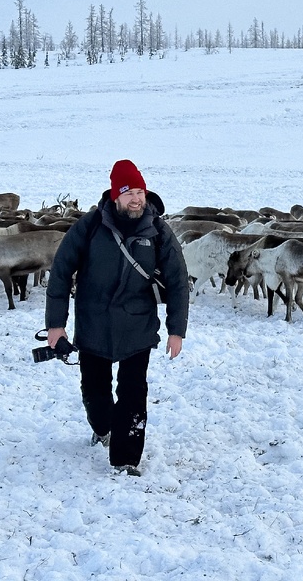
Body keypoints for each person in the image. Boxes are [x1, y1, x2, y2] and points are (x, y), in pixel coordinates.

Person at [44, 159, 189, 476]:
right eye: (129, 192)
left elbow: (178, 282)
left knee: (133, 394)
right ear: (115, 195)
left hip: (137, 327)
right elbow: (61, 272)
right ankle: (102, 426)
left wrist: (176, 330)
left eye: (140, 191)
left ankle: (126, 459)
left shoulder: (158, 230)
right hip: (93, 325)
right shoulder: (91, 225)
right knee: (95, 393)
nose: (136, 198)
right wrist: (56, 325)